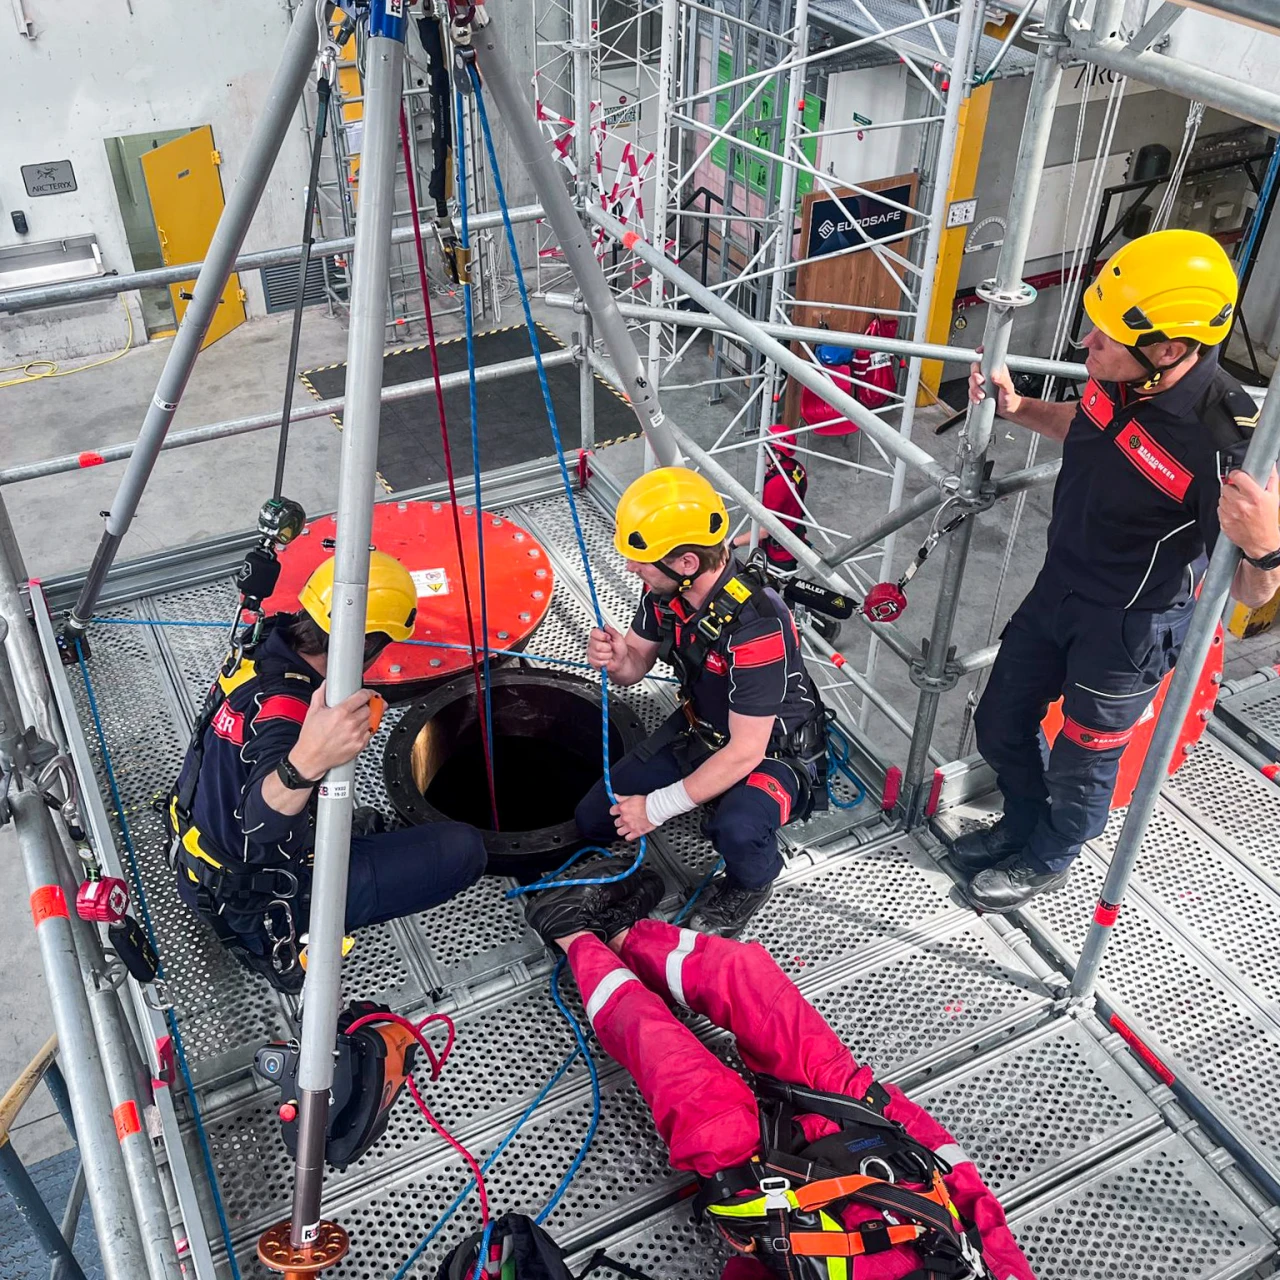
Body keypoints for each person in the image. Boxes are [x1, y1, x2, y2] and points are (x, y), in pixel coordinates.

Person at [956, 229, 1280, 912]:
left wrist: (1266, 548)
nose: (1086, 346)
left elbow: (1252, 592)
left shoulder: (1224, 442)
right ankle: (1018, 826)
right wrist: (1017, 409)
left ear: (1166, 350)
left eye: (1102, 337)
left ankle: (1048, 857)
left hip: (1129, 627)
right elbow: (1086, 423)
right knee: (1000, 723)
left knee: (1083, 763)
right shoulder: (1121, 379)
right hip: (1060, 587)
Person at [523, 864, 1036, 1280]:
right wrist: (879, 1105)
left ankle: (573, 934)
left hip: (767, 1190)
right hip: (862, 1129)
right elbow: (974, 1201)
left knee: (673, 1063)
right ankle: (625, 936)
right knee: (748, 979)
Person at [167, 551, 487, 992]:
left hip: (197, 852)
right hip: (251, 900)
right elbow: (260, 822)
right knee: (464, 850)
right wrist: (310, 761)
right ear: (368, 643)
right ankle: (280, 938)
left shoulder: (265, 644)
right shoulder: (288, 714)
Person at [576, 467, 828, 936]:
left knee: (736, 828)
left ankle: (753, 880)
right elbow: (635, 667)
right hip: (705, 731)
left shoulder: (756, 625)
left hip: (773, 752)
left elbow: (746, 752)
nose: (631, 568)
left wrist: (656, 808)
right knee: (595, 816)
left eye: (641, 560)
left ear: (687, 563)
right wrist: (614, 659)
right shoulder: (665, 592)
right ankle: (704, 802)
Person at [732, 422, 810, 573]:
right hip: (793, 538)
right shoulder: (796, 467)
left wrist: (733, 543)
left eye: (765, 449)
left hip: (779, 553)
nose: (760, 452)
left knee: (767, 586)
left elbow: (763, 531)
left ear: (777, 455)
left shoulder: (777, 485)